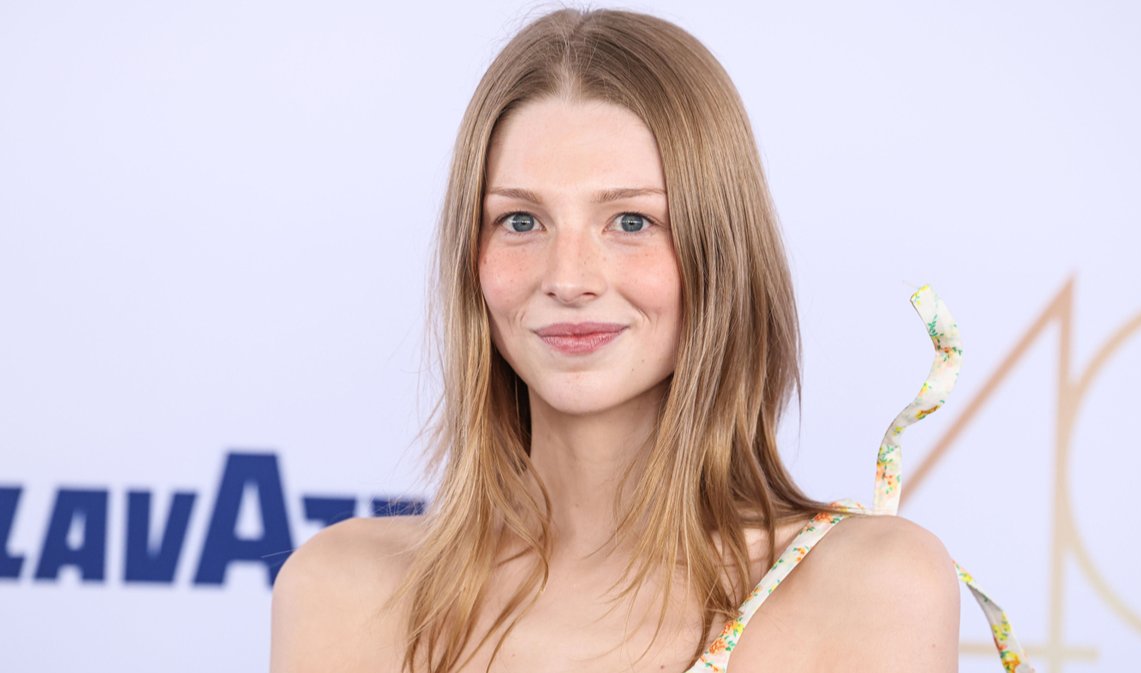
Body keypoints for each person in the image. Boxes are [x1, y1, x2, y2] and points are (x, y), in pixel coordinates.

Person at [269, 7, 966, 673]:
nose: (568, 278)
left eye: (632, 222)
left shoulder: (869, 588)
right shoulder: (342, 591)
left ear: (721, 254)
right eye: (520, 221)